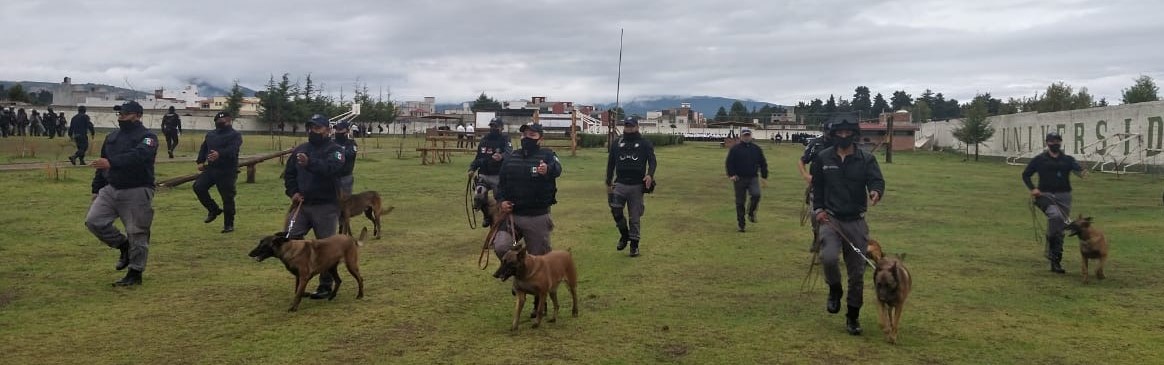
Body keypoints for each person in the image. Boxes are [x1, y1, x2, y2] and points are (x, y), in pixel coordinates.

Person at [810, 118, 885, 336]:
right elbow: (818, 187)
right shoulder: (823, 158)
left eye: (847, 132)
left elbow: (876, 180)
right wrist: (819, 209)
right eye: (839, 133)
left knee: (856, 273)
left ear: (854, 134)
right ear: (833, 135)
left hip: (856, 221)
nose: (843, 136)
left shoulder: (866, 159)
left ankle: (853, 317)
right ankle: (835, 289)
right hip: (830, 219)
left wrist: (876, 192)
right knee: (829, 258)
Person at [83, 101, 159, 286]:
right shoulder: (112, 137)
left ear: (138, 115)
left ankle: (135, 272)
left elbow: (140, 156)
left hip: (137, 189)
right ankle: (123, 246)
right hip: (111, 188)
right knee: (94, 221)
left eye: (125, 113)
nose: (121, 116)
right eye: (119, 113)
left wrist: (112, 163)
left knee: (137, 233)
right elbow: (101, 164)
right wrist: (96, 189)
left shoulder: (148, 137)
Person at [492, 123, 562, 318]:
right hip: (513, 216)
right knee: (500, 246)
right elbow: (501, 183)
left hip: (537, 216)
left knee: (540, 260)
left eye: (532, 134)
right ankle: (519, 278)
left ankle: (540, 302)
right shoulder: (511, 157)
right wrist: (501, 201)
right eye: (524, 133)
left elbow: (558, 168)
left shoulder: (547, 155)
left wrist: (547, 169)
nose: (526, 136)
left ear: (540, 138)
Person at [284, 114, 346, 299]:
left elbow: (332, 169)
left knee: (325, 246)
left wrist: (310, 163)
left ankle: (325, 285)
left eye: (317, 128)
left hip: (325, 205)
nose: (313, 131)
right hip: (302, 204)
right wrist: (293, 192)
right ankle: (301, 278)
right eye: (310, 127)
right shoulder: (300, 149)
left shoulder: (336, 150)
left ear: (328, 130)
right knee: (290, 237)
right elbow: (289, 174)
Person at [1022, 131, 1085, 274]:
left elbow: (1079, 170)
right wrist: (1033, 189)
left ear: (1060, 142)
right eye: (1052, 141)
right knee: (1055, 217)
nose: (1055, 143)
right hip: (1045, 196)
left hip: (1064, 196)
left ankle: (1055, 260)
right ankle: (1052, 252)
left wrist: (1082, 171)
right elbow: (1026, 175)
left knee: (1059, 227)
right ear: (1047, 143)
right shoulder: (1039, 159)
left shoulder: (1068, 159)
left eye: (1057, 141)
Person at [605, 117, 656, 257]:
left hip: (637, 185)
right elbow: (611, 164)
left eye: (632, 126)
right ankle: (624, 235)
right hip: (620, 183)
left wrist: (650, 175)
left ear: (637, 127)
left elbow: (652, 161)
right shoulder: (617, 144)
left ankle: (634, 246)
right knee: (615, 209)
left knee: (634, 217)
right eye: (627, 126)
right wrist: (608, 182)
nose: (629, 128)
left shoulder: (645, 144)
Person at [194, 111, 244, 233]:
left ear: (229, 121)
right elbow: (204, 147)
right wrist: (200, 161)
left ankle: (228, 224)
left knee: (227, 197)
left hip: (227, 170)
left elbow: (233, 150)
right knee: (198, 187)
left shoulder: (235, 135)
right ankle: (213, 209)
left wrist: (219, 154)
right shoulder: (211, 134)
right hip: (211, 169)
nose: (221, 123)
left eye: (223, 121)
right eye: (218, 121)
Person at [468, 117, 512, 227]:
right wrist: (472, 168)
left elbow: (509, 153)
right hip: (483, 173)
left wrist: (501, 156)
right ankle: (487, 215)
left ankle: (500, 223)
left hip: (498, 174)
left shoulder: (505, 139)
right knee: (478, 196)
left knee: (500, 200)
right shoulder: (484, 140)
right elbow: (478, 157)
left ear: (501, 128)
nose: (493, 128)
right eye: (491, 126)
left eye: (496, 126)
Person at [797, 122, 834, 252]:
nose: (830, 134)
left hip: (835, 187)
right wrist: (806, 175)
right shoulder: (815, 144)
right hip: (817, 186)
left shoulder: (841, 145)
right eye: (828, 131)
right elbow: (802, 161)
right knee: (815, 214)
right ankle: (816, 237)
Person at [724, 128, 768, 232]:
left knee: (756, 195)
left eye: (748, 135)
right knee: (740, 202)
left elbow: (763, 163)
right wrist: (732, 174)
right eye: (745, 135)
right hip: (739, 179)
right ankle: (741, 225)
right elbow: (729, 163)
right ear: (741, 137)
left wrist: (764, 176)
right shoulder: (735, 149)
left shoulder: (756, 149)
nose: (746, 137)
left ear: (751, 136)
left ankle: (751, 212)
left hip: (753, 177)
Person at [333, 121, 358, 197]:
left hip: (345, 177)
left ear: (347, 131)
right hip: (333, 177)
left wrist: (335, 153)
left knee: (346, 202)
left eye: (340, 129)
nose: (337, 131)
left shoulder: (351, 143)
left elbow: (348, 155)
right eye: (336, 129)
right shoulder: (331, 142)